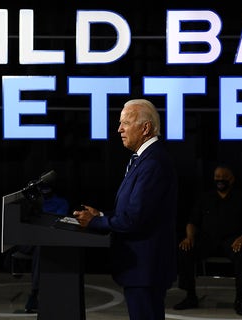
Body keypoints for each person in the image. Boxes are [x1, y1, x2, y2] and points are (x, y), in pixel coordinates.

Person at [73, 98, 178, 320]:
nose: (119, 129)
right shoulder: (144, 159)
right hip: (142, 267)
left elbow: (134, 219)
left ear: (145, 127)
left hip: (144, 268)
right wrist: (100, 216)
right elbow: (135, 211)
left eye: (125, 123)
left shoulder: (153, 163)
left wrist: (94, 223)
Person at [172, 164, 242, 316]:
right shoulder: (205, 197)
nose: (220, 180)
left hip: (232, 241)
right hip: (207, 240)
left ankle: (239, 299)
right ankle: (190, 296)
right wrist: (189, 237)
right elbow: (192, 222)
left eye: (223, 177)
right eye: (217, 177)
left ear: (231, 179)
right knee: (185, 250)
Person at [5, 182, 69, 313]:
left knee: (40, 248)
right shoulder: (30, 203)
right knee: (20, 242)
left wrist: (40, 209)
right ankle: (14, 261)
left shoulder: (61, 203)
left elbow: (56, 224)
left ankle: (34, 293)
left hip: (49, 241)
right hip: (31, 238)